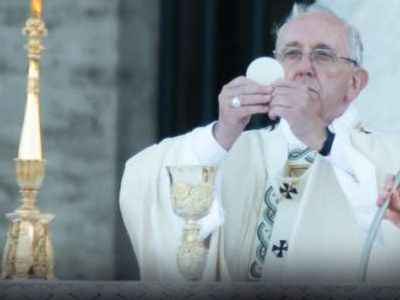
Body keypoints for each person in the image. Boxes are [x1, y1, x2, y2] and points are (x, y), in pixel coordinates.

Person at [119, 3, 400, 283]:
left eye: (323, 55)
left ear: (354, 83)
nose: (304, 67)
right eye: (291, 53)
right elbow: (144, 178)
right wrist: (222, 133)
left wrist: (320, 138)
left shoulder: (391, 156)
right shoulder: (232, 147)